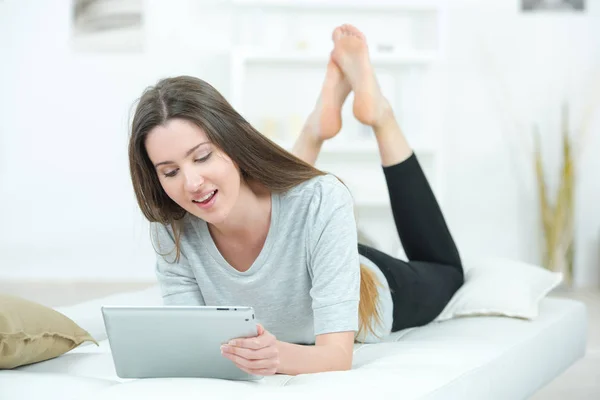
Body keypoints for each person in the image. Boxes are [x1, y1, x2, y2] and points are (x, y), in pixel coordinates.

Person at [128, 24, 463, 377]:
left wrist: (278, 358)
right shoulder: (173, 232)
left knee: (448, 273)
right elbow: (193, 344)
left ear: (231, 142)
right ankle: (317, 125)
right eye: (169, 172)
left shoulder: (323, 201)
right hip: (299, 238)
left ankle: (380, 115)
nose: (191, 183)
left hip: (364, 279)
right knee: (293, 199)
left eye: (201, 156)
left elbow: (336, 357)